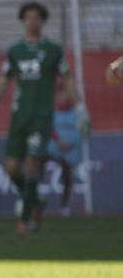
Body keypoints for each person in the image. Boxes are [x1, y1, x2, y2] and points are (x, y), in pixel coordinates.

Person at [0, 1, 90, 234]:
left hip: (41, 117)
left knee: (32, 163)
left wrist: (80, 107)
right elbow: (3, 80)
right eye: (28, 17)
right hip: (19, 116)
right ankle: (35, 199)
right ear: (23, 21)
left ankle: (26, 218)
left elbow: (68, 79)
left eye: (36, 17)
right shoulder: (15, 51)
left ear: (42, 21)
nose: (32, 21)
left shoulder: (53, 50)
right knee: (11, 168)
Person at [44, 77, 85, 214]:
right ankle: (35, 194)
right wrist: (58, 141)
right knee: (37, 161)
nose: (65, 97)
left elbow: (82, 130)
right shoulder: (53, 111)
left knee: (67, 173)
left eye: (67, 94)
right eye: (62, 94)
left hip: (70, 150)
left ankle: (65, 206)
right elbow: (48, 128)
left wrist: (68, 143)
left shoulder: (77, 112)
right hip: (54, 148)